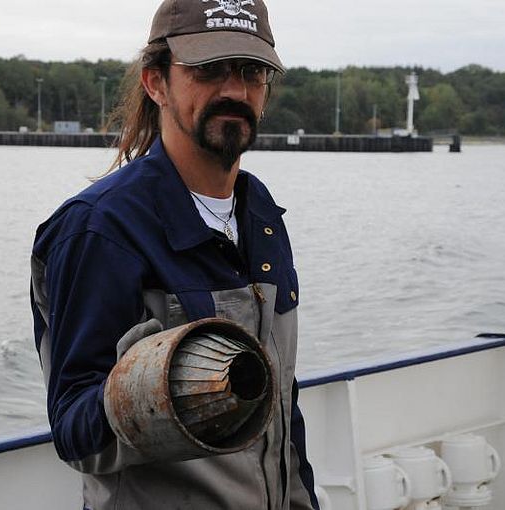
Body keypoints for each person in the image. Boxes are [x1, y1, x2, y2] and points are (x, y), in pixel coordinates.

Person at [30, 0, 319, 508]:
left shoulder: (262, 218)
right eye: (208, 70)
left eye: (252, 71)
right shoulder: (101, 230)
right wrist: (166, 388)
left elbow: (283, 415)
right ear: (155, 82)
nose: (235, 90)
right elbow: (75, 432)